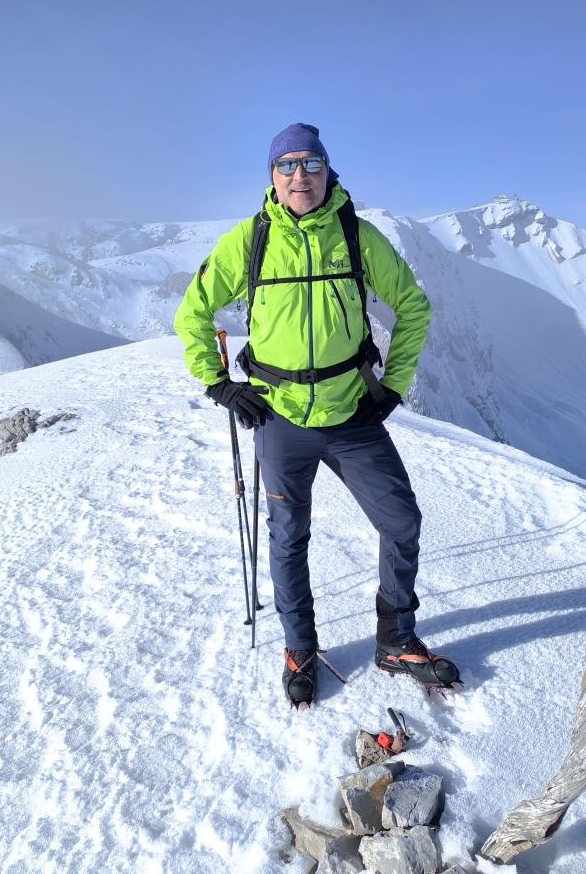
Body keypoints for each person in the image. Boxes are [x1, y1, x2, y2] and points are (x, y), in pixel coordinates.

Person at [173, 123, 460, 707]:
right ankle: (299, 647)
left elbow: (413, 307)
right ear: (272, 176)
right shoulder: (250, 240)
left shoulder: (357, 236)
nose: (299, 175)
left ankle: (395, 641)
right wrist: (219, 385)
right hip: (279, 416)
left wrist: (393, 386)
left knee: (401, 521)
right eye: (287, 165)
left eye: (311, 163)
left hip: (352, 412)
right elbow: (193, 313)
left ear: (328, 171)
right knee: (288, 536)